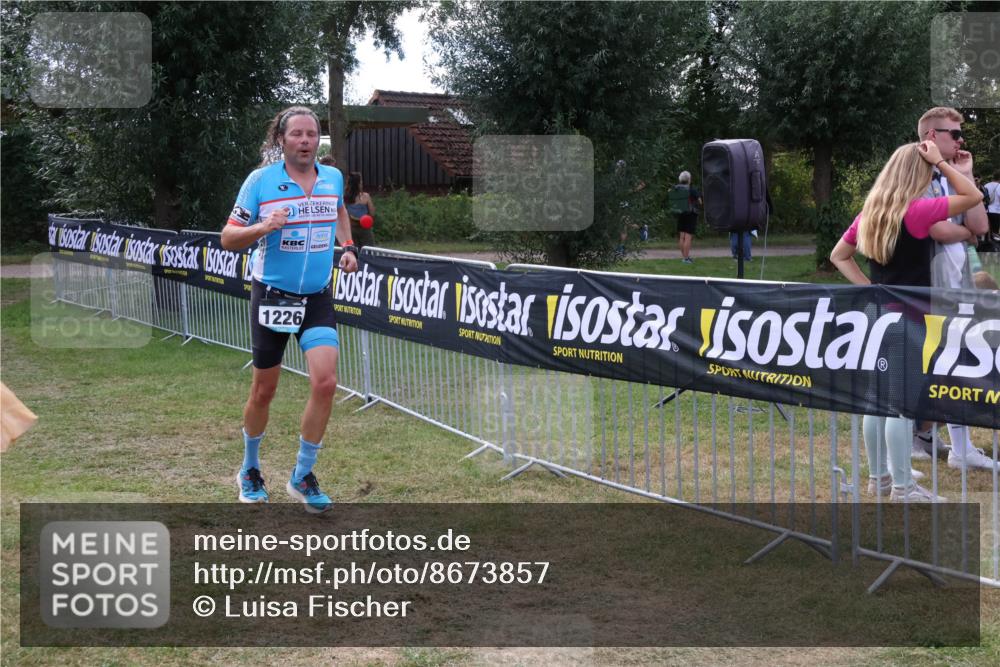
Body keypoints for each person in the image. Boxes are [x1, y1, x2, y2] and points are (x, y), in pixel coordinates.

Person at [221, 106, 359, 513]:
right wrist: (264, 227)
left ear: (319, 140)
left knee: (325, 382)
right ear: (280, 140)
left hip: (316, 295)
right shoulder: (261, 182)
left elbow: (339, 211)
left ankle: (302, 474)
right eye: (296, 134)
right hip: (273, 295)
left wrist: (347, 247)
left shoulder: (332, 178)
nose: (304, 141)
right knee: (265, 390)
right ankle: (249, 469)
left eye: (311, 135)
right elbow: (228, 237)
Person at [829, 139, 984, 501]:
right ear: (918, 173)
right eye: (928, 172)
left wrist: (871, 288)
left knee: (876, 401)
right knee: (901, 404)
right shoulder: (918, 211)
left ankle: (879, 478)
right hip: (909, 319)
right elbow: (973, 196)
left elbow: (840, 255)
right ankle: (903, 486)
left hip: (876, 315)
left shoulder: (871, 211)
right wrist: (944, 165)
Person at [913, 107, 995, 470]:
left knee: (956, 362)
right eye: (954, 135)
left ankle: (960, 448)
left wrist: (967, 173)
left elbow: (978, 224)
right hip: (924, 283)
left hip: (956, 281)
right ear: (932, 136)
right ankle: (918, 437)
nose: (961, 141)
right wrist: (966, 233)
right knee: (930, 363)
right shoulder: (915, 172)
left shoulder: (952, 175)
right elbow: (938, 230)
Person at [668, 171, 700, 264]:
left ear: (680, 179)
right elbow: (699, 201)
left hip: (680, 213)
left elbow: (671, 195)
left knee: (682, 237)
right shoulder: (692, 189)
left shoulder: (676, 188)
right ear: (689, 179)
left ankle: (684, 257)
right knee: (688, 237)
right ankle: (686, 259)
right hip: (691, 214)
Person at [345, 171, 375, 249]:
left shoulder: (345, 198)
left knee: (354, 251)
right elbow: (372, 212)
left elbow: (344, 215)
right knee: (368, 250)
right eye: (361, 181)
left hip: (351, 229)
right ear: (358, 184)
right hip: (365, 228)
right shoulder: (365, 196)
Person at [984, 170, 1000, 244]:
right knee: (995, 233)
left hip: (986, 211)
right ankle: (995, 249)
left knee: (987, 233)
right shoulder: (999, 186)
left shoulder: (986, 185)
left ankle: (987, 247)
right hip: (996, 212)